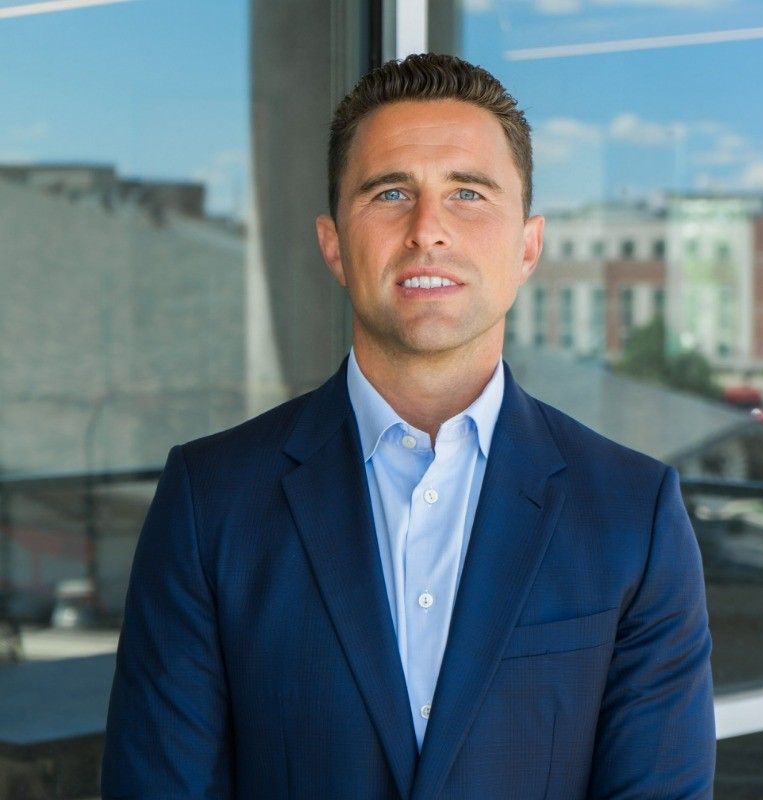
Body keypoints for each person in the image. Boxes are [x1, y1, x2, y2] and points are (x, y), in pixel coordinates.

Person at [101, 53, 715, 799]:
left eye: (468, 193)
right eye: (390, 192)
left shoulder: (633, 510)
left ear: (528, 245)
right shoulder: (210, 500)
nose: (429, 230)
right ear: (333, 244)